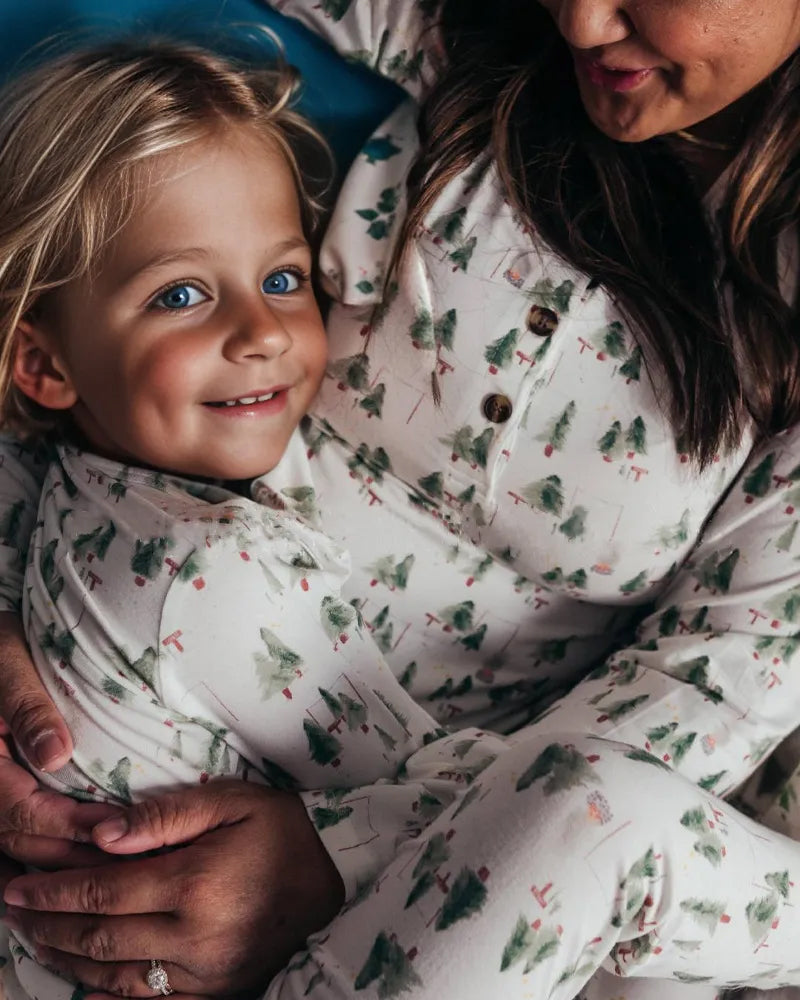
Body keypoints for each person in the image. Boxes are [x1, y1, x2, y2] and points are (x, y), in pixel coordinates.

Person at [0, 1, 797, 999]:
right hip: (182, 707)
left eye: (286, 279)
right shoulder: (467, 35)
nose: (582, 22)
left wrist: (344, 852)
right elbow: (65, 325)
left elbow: (706, 695)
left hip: (483, 857)